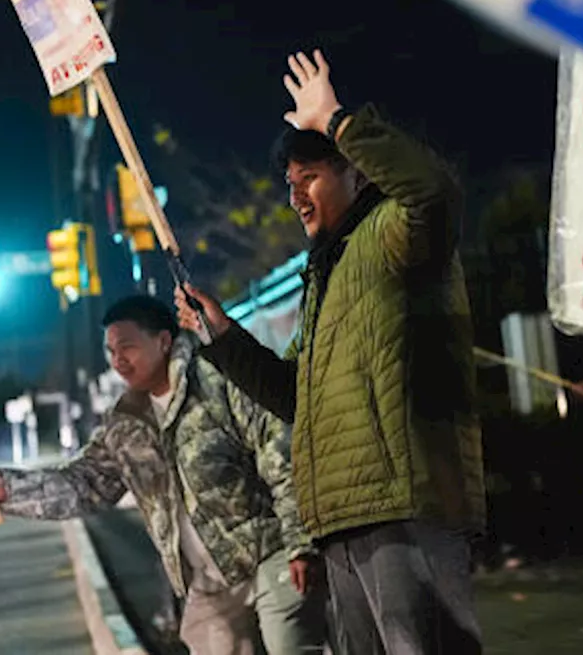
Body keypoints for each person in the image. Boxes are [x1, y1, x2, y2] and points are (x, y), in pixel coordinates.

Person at [174, 49, 485, 654]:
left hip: (404, 505)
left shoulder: (394, 236)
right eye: (290, 184)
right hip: (342, 516)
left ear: (357, 172)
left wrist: (337, 120)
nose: (296, 196)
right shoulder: (326, 276)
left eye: (309, 176)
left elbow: (433, 192)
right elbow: (296, 397)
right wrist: (223, 337)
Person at [0, 295, 326, 655]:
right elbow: (83, 484)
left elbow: (279, 453)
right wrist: (6, 488)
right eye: (110, 351)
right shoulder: (124, 424)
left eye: (127, 347)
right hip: (208, 583)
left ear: (164, 341)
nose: (118, 361)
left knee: (290, 647)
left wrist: (299, 544)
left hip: (271, 555)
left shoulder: (217, 380)